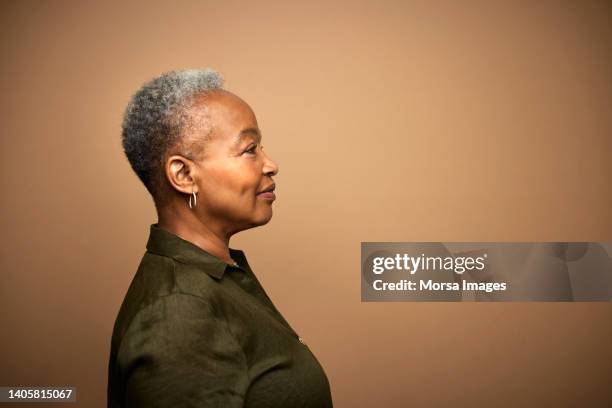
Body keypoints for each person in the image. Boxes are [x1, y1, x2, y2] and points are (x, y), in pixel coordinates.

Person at [107, 69, 334, 407]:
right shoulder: (178, 313)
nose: (271, 165)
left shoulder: (217, 275)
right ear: (184, 174)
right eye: (249, 149)